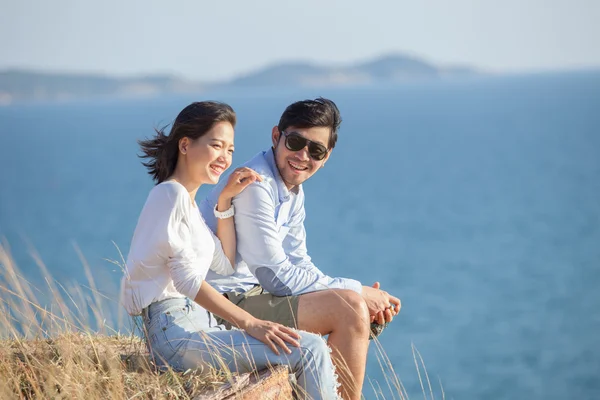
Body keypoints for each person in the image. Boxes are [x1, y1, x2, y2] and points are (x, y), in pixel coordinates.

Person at [120, 101, 339, 400]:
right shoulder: (168, 195)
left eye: (230, 150)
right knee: (309, 349)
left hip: (199, 324)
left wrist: (224, 202)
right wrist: (252, 323)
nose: (224, 158)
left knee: (307, 346)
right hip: (174, 332)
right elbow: (186, 282)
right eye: (216, 145)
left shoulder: (191, 207)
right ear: (185, 145)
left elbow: (224, 263)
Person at [199, 97, 401, 400]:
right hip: (221, 304)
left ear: (327, 156)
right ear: (276, 136)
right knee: (349, 310)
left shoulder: (292, 189)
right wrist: (356, 293)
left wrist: (350, 294)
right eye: (295, 141)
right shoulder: (256, 184)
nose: (303, 155)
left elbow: (299, 262)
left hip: (249, 294)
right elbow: (274, 276)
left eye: (316, 150)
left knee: (350, 305)